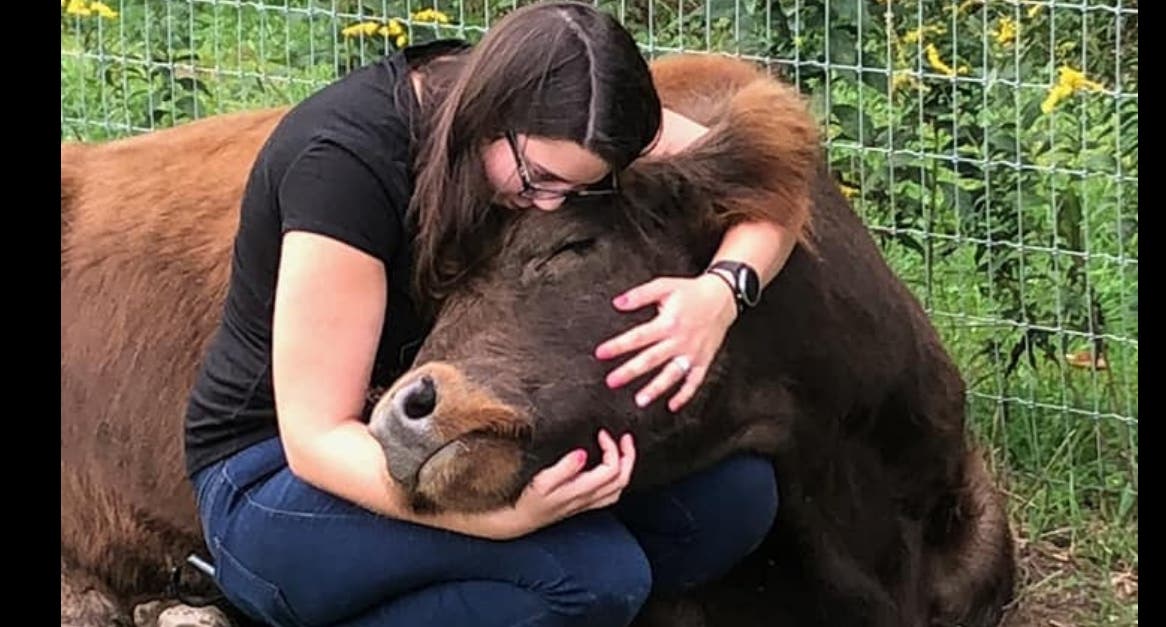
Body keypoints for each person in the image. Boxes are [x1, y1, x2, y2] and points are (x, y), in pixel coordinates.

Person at [184, 2, 797, 625]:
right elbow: (316, 440)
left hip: (457, 436)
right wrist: (504, 523)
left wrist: (722, 291)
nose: (552, 205)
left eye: (582, 191)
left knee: (730, 505)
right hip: (279, 482)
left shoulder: (575, 121)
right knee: (596, 578)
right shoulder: (344, 165)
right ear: (489, 113)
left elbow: (775, 181)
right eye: (538, 179)